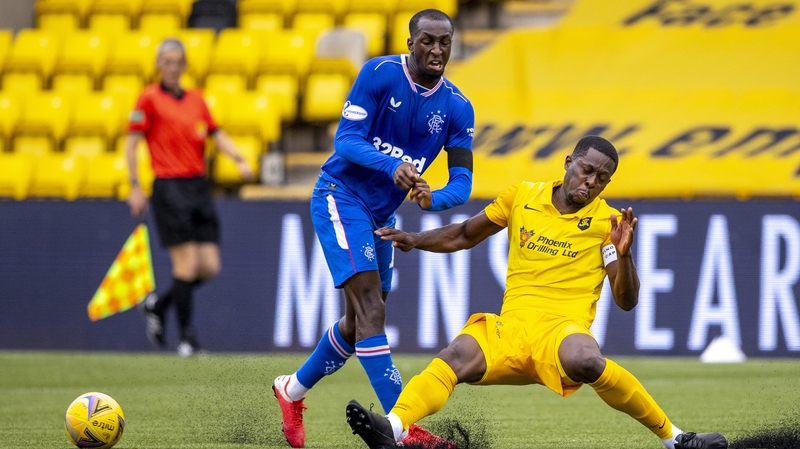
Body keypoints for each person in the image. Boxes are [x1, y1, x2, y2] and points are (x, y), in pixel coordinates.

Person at [346, 135, 728, 449]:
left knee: (586, 359)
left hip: (561, 332)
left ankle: (675, 439)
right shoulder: (522, 197)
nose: (591, 182)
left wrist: (624, 257)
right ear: (567, 163)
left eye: (602, 178)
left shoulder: (606, 225)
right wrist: (415, 238)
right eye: (587, 170)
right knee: (456, 354)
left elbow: (626, 301)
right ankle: (392, 430)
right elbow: (464, 234)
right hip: (510, 331)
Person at [271, 8, 475, 448]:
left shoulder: (458, 107)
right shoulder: (379, 74)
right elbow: (345, 139)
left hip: (382, 216)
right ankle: (404, 430)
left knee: (356, 323)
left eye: (445, 42)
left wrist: (430, 197)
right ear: (410, 43)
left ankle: (290, 391)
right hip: (339, 196)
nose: (437, 50)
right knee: (371, 313)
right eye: (428, 41)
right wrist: (393, 165)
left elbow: (463, 183)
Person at [126, 37, 254, 357]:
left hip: (197, 186)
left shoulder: (196, 99)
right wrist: (134, 185)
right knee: (188, 264)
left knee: (209, 266)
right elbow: (131, 143)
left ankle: (159, 303)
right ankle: (186, 339)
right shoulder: (148, 99)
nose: (172, 67)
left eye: (177, 61)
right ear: (158, 65)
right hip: (169, 187)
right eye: (166, 61)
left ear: (184, 65)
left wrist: (238, 158)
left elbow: (215, 133)